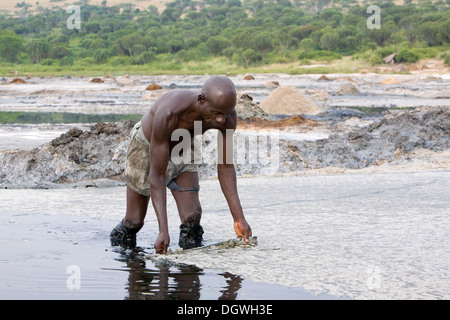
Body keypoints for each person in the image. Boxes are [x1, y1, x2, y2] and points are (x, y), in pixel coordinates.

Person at [110, 76, 252, 254]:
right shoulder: (170, 112)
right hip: (147, 146)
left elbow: (225, 166)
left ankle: (189, 272)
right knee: (134, 222)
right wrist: (163, 231)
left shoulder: (227, 116)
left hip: (184, 145)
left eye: (226, 113)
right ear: (201, 100)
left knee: (192, 218)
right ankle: (123, 255)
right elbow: (157, 175)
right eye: (216, 113)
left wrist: (239, 218)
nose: (221, 120)